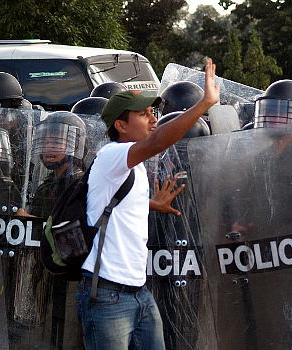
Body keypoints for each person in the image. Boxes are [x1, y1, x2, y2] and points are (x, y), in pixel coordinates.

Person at [76, 58, 219, 350]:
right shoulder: (114, 154)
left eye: (153, 111)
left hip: (138, 293)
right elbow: (157, 143)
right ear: (121, 125)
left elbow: (111, 203)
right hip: (106, 294)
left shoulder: (132, 165)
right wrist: (203, 104)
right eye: (143, 114)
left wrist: (150, 204)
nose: (154, 118)